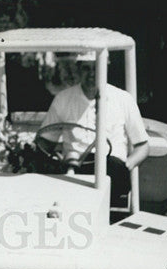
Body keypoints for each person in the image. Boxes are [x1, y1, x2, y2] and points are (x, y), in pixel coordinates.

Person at [37, 52, 149, 207]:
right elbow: (45, 142)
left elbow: (142, 146)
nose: (91, 74)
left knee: (110, 172)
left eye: (96, 68)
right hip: (75, 169)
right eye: (86, 69)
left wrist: (126, 166)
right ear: (78, 70)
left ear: (106, 68)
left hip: (112, 170)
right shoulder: (63, 99)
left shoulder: (123, 99)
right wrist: (55, 158)